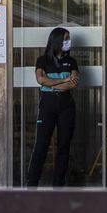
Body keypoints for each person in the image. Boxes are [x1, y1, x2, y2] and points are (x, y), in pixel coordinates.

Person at [25, 26, 80, 187]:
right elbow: (40, 80)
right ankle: (32, 183)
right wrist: (63, 80)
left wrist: (52, 83)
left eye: (69, 39)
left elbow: (72, 84)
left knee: (64, 145)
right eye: (65, 39)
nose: (68, 42)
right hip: (48, 105)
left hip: (66, 105)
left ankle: (59, 185)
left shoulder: (72, 62)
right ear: (56, 41)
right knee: (41, 144)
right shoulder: (42, 60)